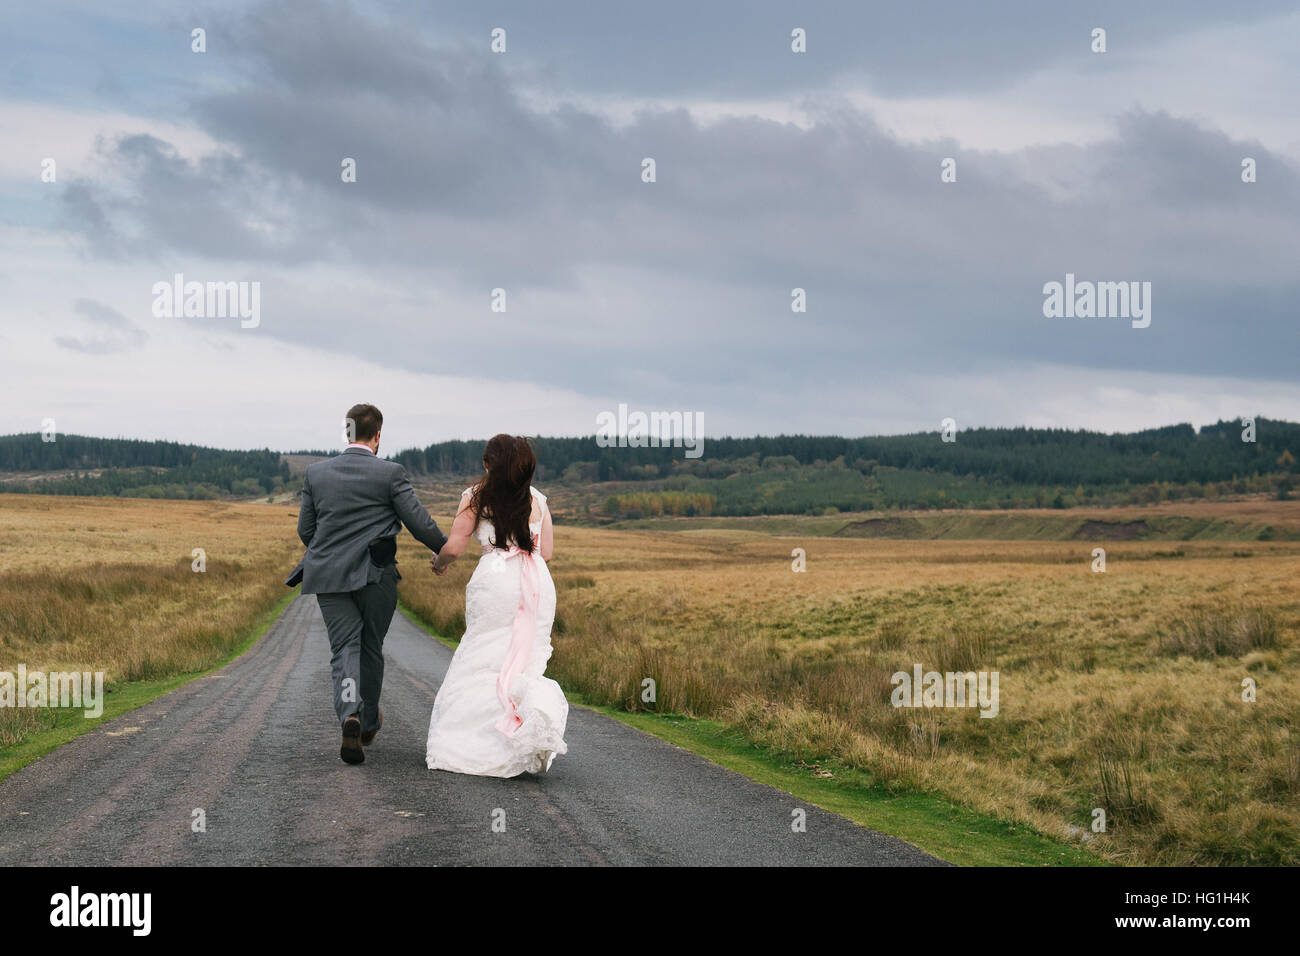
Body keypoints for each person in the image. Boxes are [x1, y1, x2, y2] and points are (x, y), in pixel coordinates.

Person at [288, 403, 447, 764]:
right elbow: (418, 522)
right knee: (371, 646)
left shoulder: (316, 474)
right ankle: (370, 720)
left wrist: (330, 552)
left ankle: (351, 715)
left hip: (328, 576)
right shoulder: (391, 473)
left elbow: (305, 531)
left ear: (347, 433)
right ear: (377, 436)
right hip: (377, 576)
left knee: (345, 647)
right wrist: (444, 551)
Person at [425, 434, 568, 777]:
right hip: (536, 582)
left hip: (497, 579)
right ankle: (519, 735)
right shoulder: (538, 500)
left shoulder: (476, 496)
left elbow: (455, 547)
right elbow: (545, 552)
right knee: (522, 664)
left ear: (489, 464)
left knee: (482, 655)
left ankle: (473, 742)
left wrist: (438, 561)